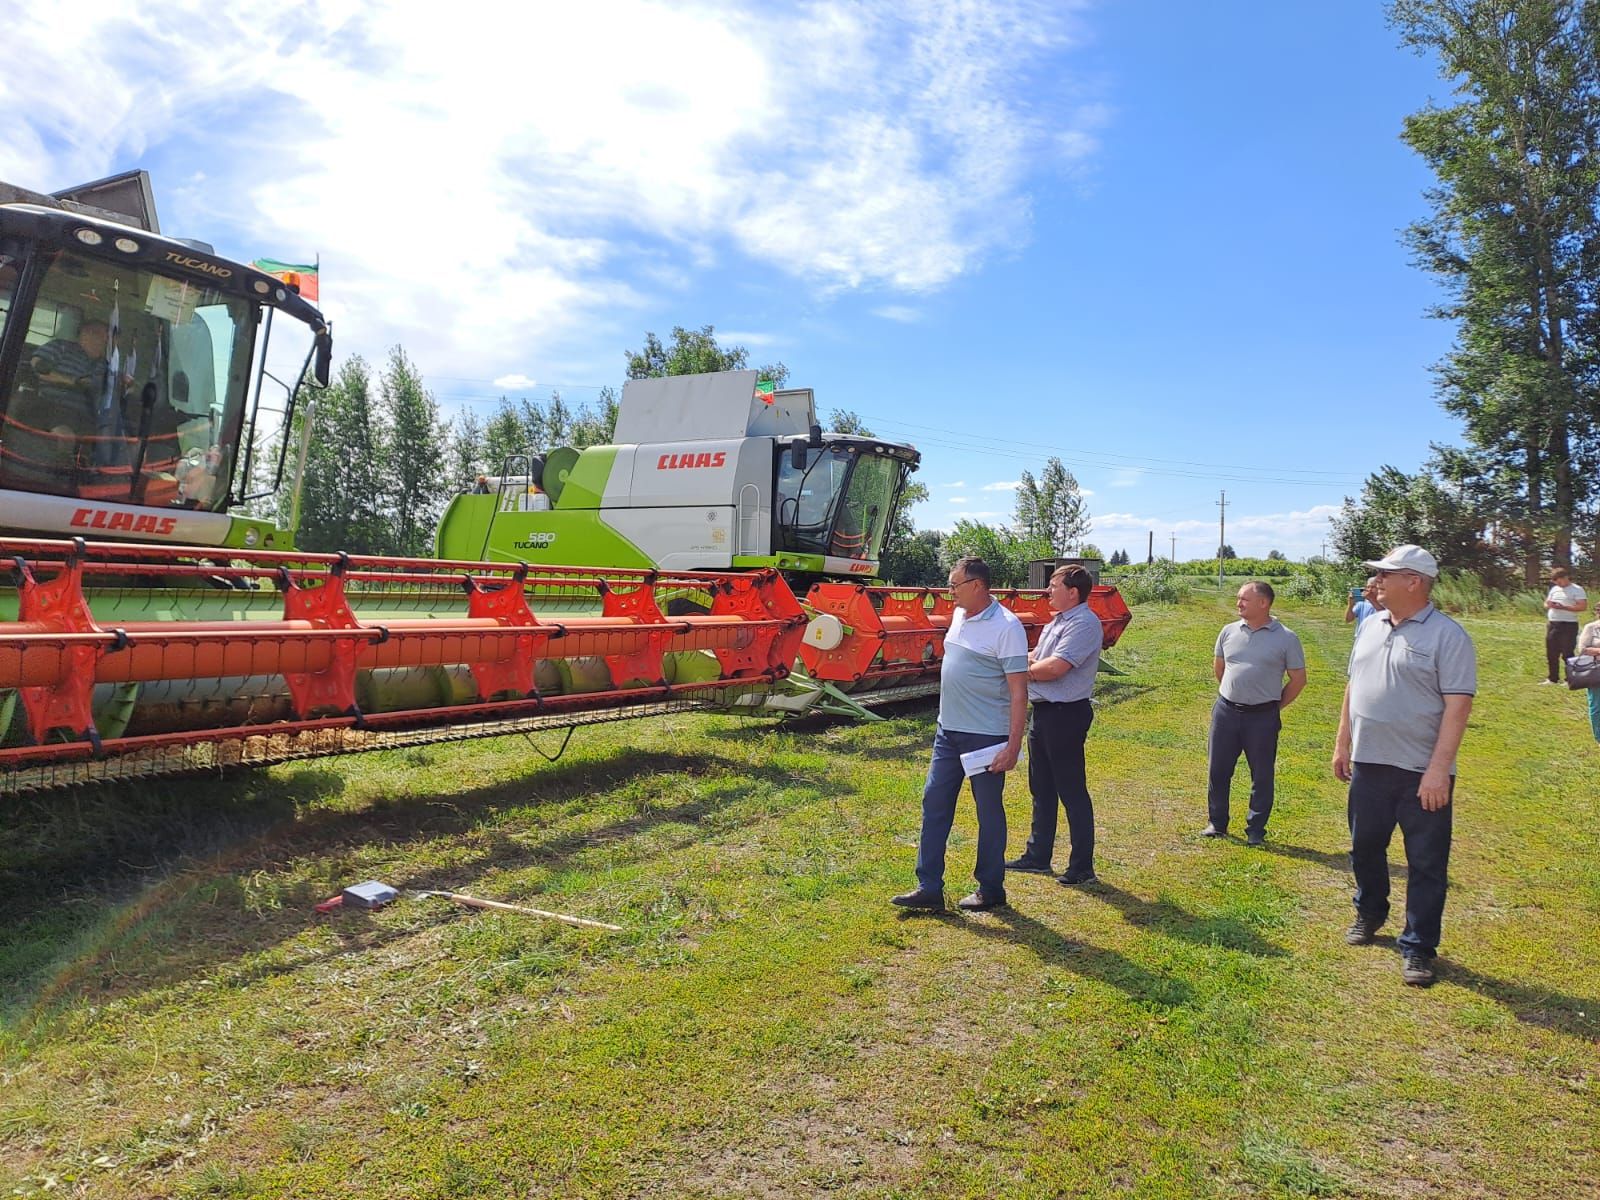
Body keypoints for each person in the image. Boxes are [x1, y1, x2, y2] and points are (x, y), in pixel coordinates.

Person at [1333, 544, 1476, 988]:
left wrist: (1439, 770)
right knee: (1364, 847)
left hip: (1421, 771)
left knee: (1427, 863)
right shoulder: (1371, 625)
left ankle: (1417, 947)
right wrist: (1343, 742)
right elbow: (1354, 685)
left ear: (1413, 581)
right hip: (1369, 763)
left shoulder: (1447, 637)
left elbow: (1458, 706)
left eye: (1386, 574)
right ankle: (1370, 912)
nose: (1376, 580)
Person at [892, 556, 1028, 913]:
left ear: (978, 586)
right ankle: (929, 886)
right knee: (934, 803)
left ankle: (990, 888)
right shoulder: (958, 617)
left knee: (988, 812)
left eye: (955, 585)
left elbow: (1018, 691)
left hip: (986, 737)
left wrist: (1013, 746)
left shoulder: (1007, 627)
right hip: (947, 732)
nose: (949, 591)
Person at [1006, 564, 1103, 884]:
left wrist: (1018, 670)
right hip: (1045, 713)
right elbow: (1037, 657)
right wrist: (1027, 662)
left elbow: (1055, 668)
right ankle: (1038, 856)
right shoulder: (1059, 621)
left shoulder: (1085, 624)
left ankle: (1081, 866)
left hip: (1066, 715)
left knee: (1071, 790)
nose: (1048, 591)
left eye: (1053, 585)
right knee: (1042, 788)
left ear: (1073, 592)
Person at [1202, 580, 1307, 845]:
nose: (1238, 603)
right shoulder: (1228, 632)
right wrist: (1233, 693)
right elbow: (1220, 667)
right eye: (1238, 598)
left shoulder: (1286, 638)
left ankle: (1256, 829)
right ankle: (1217, 822)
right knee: (1218, 769)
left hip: (1263, 717)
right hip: (1226, 712)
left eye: (1244, 599)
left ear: (1264, 603)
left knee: (1261, 773)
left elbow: (1298, 679)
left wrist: (1274, 706)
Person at [1542, 566, 1588, 685]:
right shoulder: (1554, 589)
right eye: (1555, 582)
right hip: (1553, 623)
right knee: (1551, 652)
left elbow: (1582, 606)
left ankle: (1570, 679)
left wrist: (1563, 607)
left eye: (1559, 581)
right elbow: (1546, 603)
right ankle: (1552, 678)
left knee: (1567, 652)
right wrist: (1549, 605)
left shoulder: (1577, 589)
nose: (1558, 584)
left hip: (1568, 624)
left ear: (1565, 577)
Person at [1577, 599, 1600, 744]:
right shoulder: (1591, 628)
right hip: (1596, 671)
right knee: (1597, 705)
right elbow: (1583, 649)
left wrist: (1596, 651)